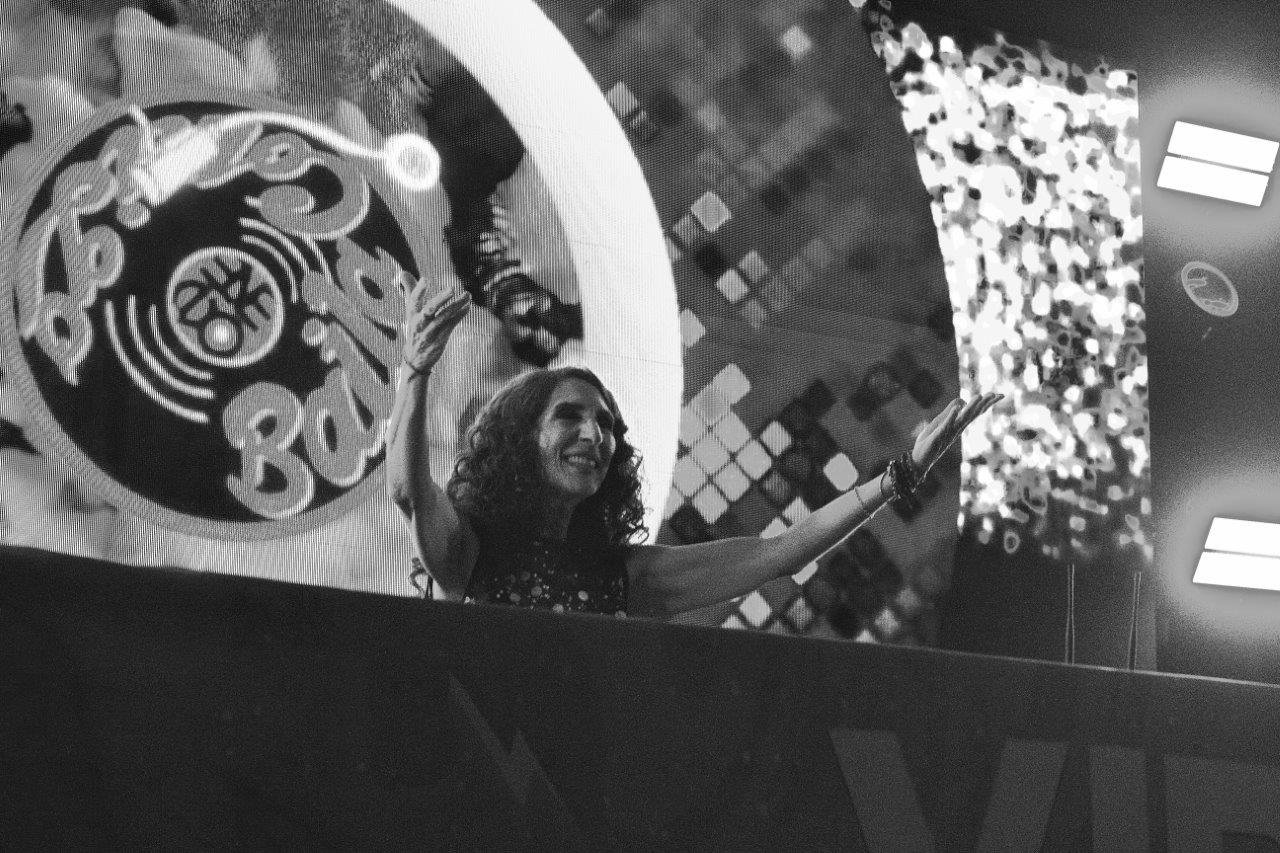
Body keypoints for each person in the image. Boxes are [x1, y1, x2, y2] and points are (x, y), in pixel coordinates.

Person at [386, 280, 1001, 619]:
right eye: (568, 416)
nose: (594, 435)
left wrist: (901, 475)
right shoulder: (469, 550)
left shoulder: (627, 578)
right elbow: (410, 490)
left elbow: (780, 552)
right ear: (521, 439)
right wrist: (415, 373)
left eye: (606, 425)